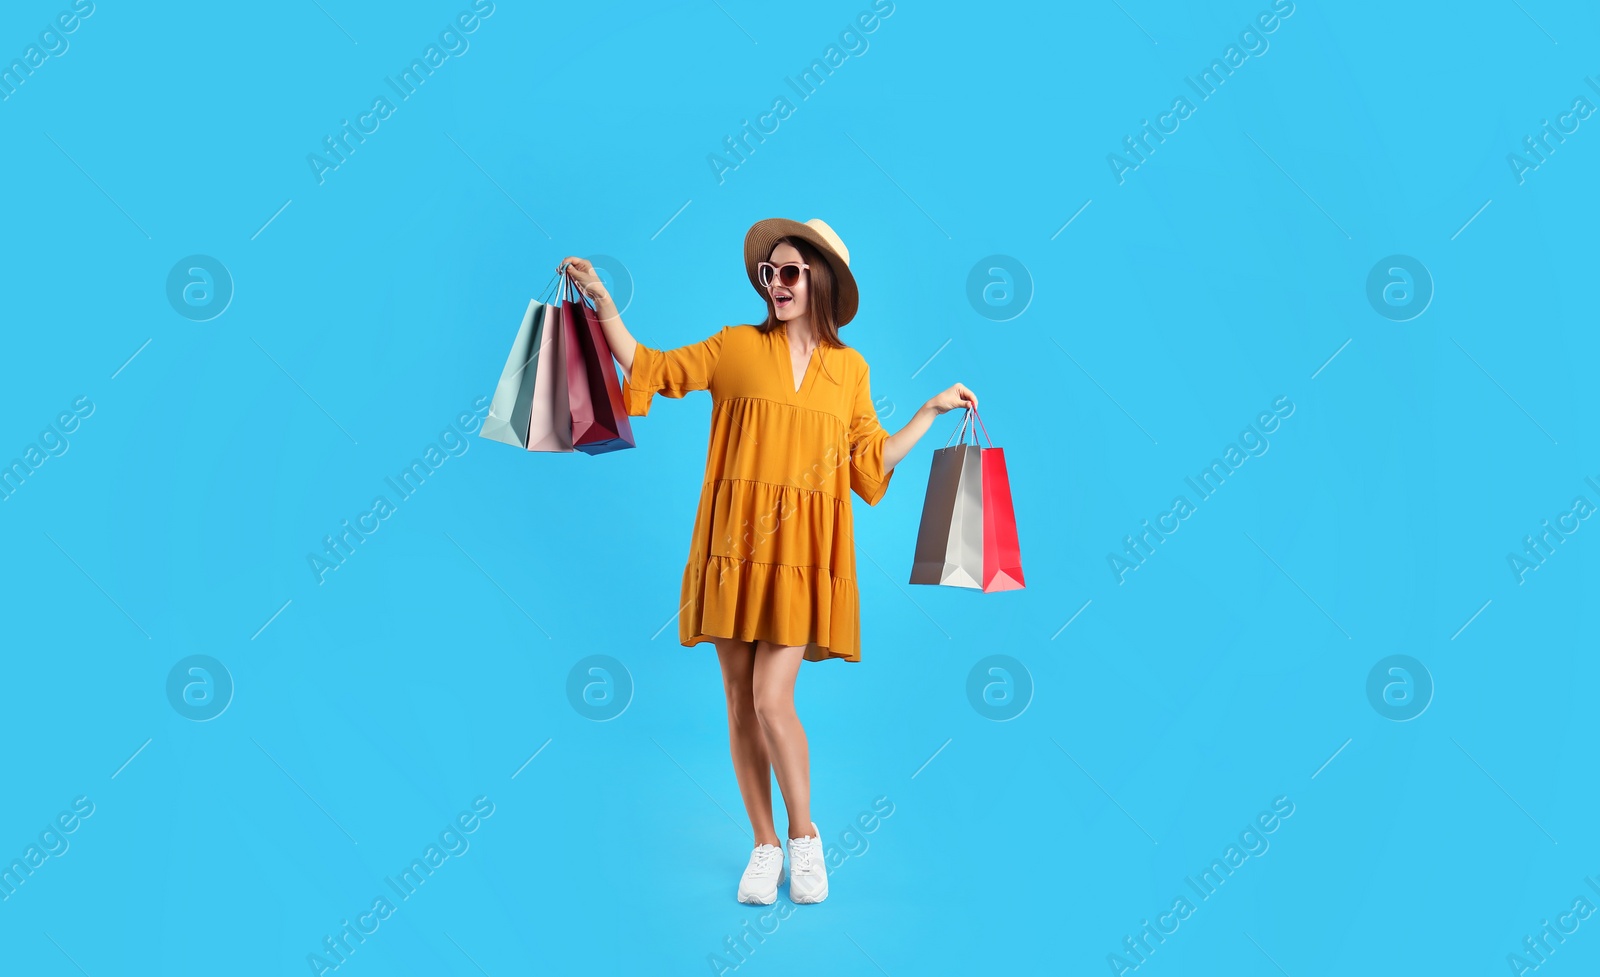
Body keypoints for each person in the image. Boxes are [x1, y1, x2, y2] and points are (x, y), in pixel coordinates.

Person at [558, 217, 976, 907]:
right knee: (737, 700)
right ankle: (763, 843)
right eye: (768, 273)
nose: (776, 284)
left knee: (771, 697)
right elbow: (654, 367)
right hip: (733, 545)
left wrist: (929, 410)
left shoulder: (851, 369)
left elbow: (867, 460)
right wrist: (605, 305)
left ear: (822, 282)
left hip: (802, 555)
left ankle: (805, 836)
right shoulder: (734, 347)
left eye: (790, 273)